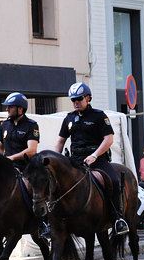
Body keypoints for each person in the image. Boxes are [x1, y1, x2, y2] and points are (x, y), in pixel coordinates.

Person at [0, 92, 51, 239]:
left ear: (20, 109)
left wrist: (11, 158)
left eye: (10, 107)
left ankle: (43, 222)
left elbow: (32, 150)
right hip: (7, 167)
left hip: (26, 166)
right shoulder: (4, 125)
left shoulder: (31, 125)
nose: (7, 110)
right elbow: (0, 147)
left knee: (35, 188)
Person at [54, 82, 129, 236]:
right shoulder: (69, 118)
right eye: (73, 100)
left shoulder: (99, 116)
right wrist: (56, 160)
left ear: (88, 98)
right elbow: (61, 141)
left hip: (97, 161)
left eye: (79, 99)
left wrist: (94, 155)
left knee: (114, 181)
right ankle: (55, 222)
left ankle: (117, 219)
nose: (75, 102)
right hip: (75, 161)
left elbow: (108, 139)